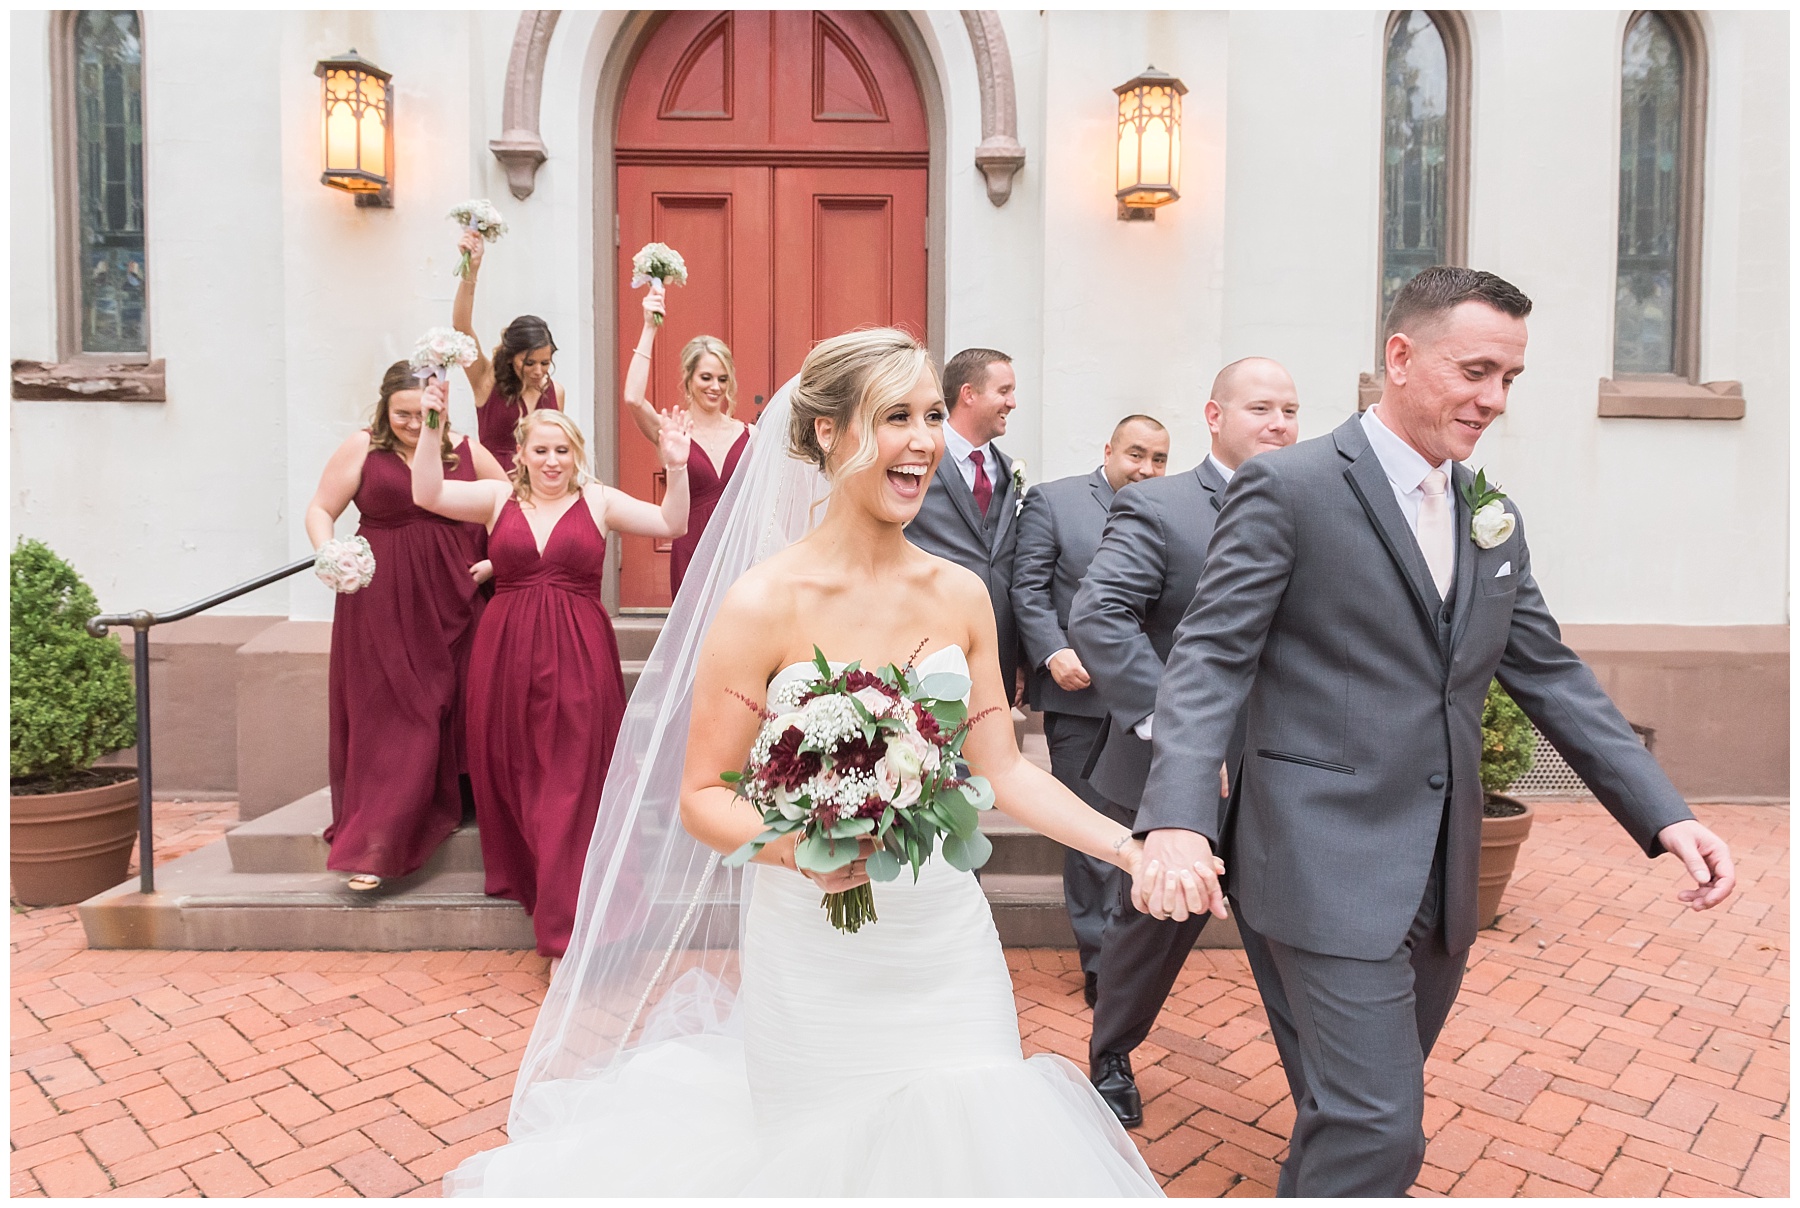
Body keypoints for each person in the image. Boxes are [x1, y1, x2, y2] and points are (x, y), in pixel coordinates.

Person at [445, 330, 1172, 1197]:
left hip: (943, 939)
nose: (923, 439)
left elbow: (1005, 772)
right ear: (827, 432)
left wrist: (1130, 848)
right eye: (894, 416)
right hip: (812, 946)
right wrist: (806, 846)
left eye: (933, 415)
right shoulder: (763, 602)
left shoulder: (960, 594)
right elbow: (704, 794)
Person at [1131, 267, 1737, 1197]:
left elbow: (1548, 673)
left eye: (1511, 379)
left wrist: (1665, 816)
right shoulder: (1289, 488)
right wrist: (1177, 816)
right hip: (1318, 859)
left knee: (1348, 1109)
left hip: (1442, 876)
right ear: (1401, 358)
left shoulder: (1489, 515)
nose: (1494, 399)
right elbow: (1210, 657)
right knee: (1381, 1129)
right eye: (1477, 370)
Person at [1068, 358, 1300, 1125]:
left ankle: (1327, 1095)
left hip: (1284, 772)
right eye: (1261, 407)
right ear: (1214, 415)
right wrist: (1177, 729)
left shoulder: (1313, 504)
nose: (1279, 424)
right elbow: (1100, 616)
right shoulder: (1160, 507)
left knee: (1299, 937)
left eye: (1290, 411)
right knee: (1148, 933)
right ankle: (1111, 1054)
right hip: (1176, 770)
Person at [410, 392, 692, 958]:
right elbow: (428, 493)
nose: (552, 461)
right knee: (521, 775)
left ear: (576, 453)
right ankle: (544, 884)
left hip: (579, 658)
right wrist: (431, 427)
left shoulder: (599, 501)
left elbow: (672, 521)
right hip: (505, 655)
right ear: (522, 454)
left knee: (571, 779)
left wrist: (678, 464)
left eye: (562, 450)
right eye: (541, 450)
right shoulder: (496, 498)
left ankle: (566, 928)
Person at [304, 361, 507, 892]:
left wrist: (496, 563)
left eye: (424, 413)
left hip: (455, 594)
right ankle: (377, 843)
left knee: (457, 702)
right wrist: (329, 553)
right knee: (399, 716)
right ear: (384, 407)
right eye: (402, 414)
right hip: (381, 602)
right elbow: (321, 510)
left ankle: (458, 802)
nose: (414, 424)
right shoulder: (363, 447)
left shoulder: (464, 449)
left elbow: (516, 503)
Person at [1010, 414, 1171, 1006]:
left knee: (1137, 827)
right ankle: (1101, 962)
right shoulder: (1054, 501)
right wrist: (1051, 652)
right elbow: (1027, 588)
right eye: (1136, 454)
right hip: (1077, 699)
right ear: (1108, 448)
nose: (1146, 469)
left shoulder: (1168, 509)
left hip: (1147, 702)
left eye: (1158, 459)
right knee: (1088, 832)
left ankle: (1132, 952)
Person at [903, 347, 1025, 700]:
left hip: (996, 643)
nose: (1012, 403)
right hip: (928, 639)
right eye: (1004, 391)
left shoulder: (1007, 470)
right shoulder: (917, 458)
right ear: (968, 394)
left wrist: (1020, 658)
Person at [622, 279, 750, 598]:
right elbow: (633, 399)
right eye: (706, 378)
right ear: (689, 379)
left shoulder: (750, 435)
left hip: (740, 549)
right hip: (692, 550)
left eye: (722, 379)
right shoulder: (671, 431)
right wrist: (649, 327)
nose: (715, 387)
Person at [452, 230, 564, 471]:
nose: (538, 371)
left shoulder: (556, 392)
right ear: (512, 356)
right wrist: (472, 270)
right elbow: (461, 327)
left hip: (542, 488)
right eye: (529, 362)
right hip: (494, 487)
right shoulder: (486, 379)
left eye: (545, 363)